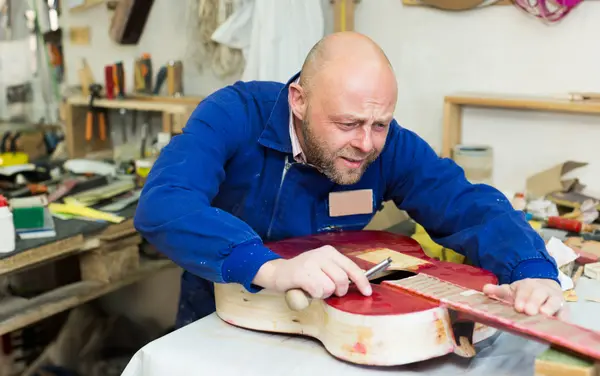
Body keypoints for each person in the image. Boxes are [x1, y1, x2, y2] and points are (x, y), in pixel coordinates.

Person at [134, 31, 563, 329]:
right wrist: (270, 266)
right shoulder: (234, 114)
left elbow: (468, 204)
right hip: (221, 315)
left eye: (380, 123)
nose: (365, 143)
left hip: (332, 324)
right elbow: (165, 203)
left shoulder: (388, 145)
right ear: (298, 100)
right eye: (348, 123)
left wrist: (532, 269)